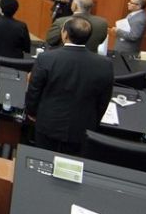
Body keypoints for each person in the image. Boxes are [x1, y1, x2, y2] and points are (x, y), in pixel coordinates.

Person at [26, 16, 114, 155]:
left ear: (65, 34)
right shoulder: (105, 64)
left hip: (48, 123)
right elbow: (104, 100)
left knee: (43, 159)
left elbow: (34, 89)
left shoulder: (46, 58)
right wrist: (94, 122)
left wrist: (31, 112)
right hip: (83, 128)